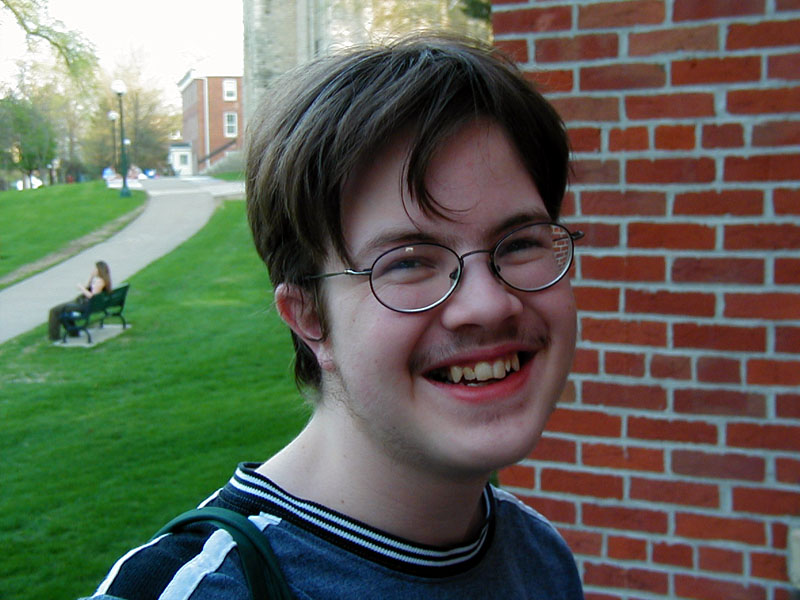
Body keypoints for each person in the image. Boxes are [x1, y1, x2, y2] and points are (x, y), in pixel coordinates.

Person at [86, 33, 584, 599]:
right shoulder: (202, 589)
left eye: (520, 243)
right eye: (409, 261)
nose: (489, 303)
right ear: (308, 318)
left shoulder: (539, 556)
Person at [48, 260, 112, 340]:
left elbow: (91, 296)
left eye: (95, 268)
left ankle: (54, 337)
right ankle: (73, 332)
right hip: (87, 304)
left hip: (85, 306)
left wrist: (81, 288)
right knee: (61, 310)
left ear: (99, 269)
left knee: (54, 311)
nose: (93, 270)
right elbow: (87, 287)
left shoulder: (100, 282)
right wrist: (91, 277)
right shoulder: (102, 280)